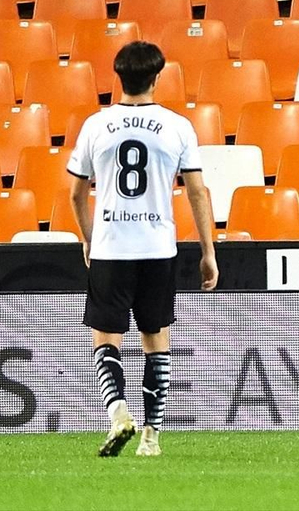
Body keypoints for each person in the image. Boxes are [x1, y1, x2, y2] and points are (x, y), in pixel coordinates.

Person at [69, 41, 219, 458]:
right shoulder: (177, 126)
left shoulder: (96, 126)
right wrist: (209, 250)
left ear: (119, 77)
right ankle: (151, 438)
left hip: (111, 247)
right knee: (156, 341)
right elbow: (196, 191)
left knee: (106, 339)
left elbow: (76, 195)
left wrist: (87, 237)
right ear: (157, 77)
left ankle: (118, 411)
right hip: (157, 247)